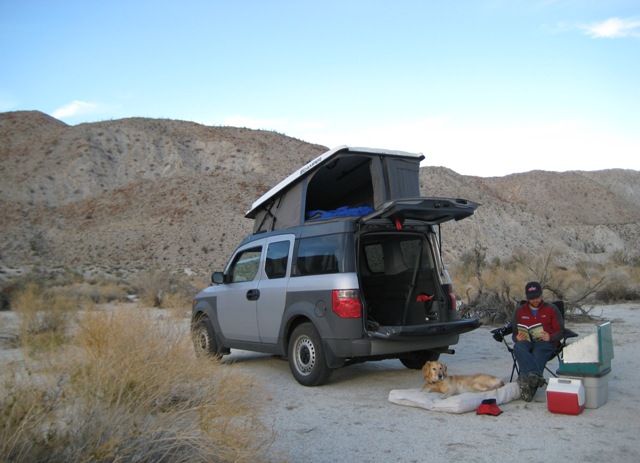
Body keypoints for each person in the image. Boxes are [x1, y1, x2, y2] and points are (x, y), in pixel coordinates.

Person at [512, 281, 564, 402]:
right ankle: (536, 376)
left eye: (537, 297)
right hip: (527, 341)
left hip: (546, 343)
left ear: (541, 295)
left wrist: (550, 337)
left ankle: (527, 383)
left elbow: (561, 331)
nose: (535, 300)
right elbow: (514, 333)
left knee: (538, 351)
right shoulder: (519, 311)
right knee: (518, 347)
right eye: (531, 298)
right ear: (527, 297)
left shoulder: (551, 309)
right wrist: (517, 338)